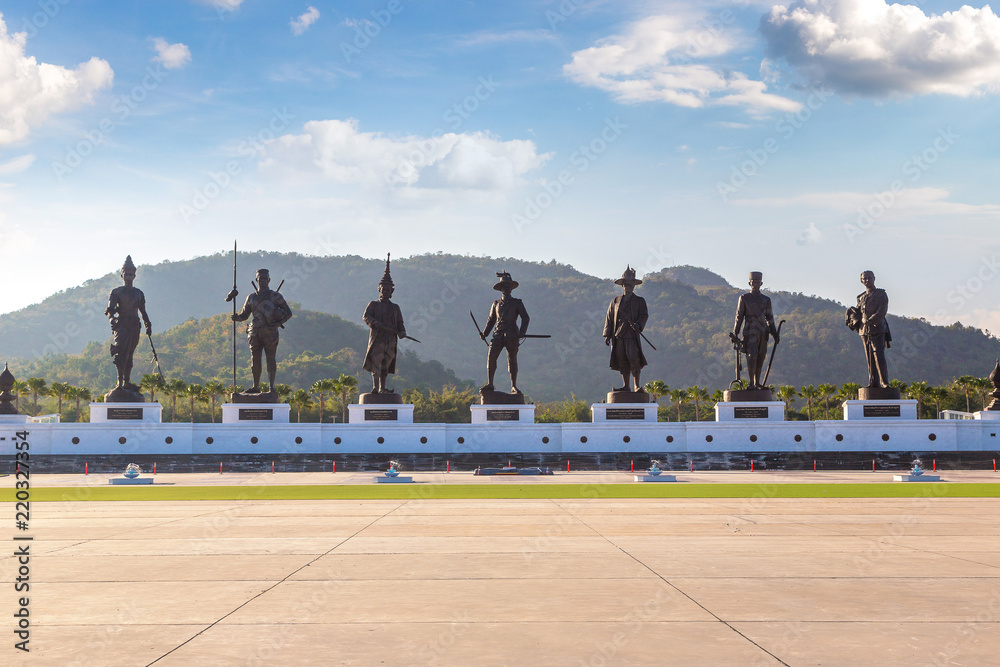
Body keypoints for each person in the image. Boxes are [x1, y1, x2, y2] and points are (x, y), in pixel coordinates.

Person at [228, 268, 292, 393]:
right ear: (256, 280)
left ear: (269, 280)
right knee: (255, 359)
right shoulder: (251, 297)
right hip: (254, 332)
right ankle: (255, 386)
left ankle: (271, 387)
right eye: (260, 278)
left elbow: (288, 313)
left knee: (270, 359)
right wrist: (236, 317)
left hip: (270, 333)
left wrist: (278, 324)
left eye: (265, 278)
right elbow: (245, 315)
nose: (262, 280)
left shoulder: (275, 296)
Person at [105, 255, 152, 392]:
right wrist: (112, 319)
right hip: (122, 324)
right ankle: (119, 383)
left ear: (134, 275)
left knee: (130, 353)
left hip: (134, 325)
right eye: (126, 274)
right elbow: (110, 310)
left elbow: (143, 311)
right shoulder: (116, 292)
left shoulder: (138, 293)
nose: (129, 276)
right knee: (121, 352)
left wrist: (148, 325)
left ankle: (126, 382)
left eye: (131, 274)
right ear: (122, 275)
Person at [480, 271, 530, 393]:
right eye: (505, 286)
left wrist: (522, 331)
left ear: (512, 288)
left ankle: (514, 386)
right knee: (491, 358)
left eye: (509, 286)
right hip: (498, 334)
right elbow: (491, 320)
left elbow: (525, 317)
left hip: (512, 334)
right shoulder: (495, 304)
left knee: (512, 360)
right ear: (501, 289)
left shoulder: (517, 303)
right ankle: (490, 384)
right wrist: (485, 333)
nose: (507, 288)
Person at [362, 255, 405, 394]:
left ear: (392, 291)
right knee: (377, 362)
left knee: (386, 364)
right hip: (378, 338)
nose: (385, 291)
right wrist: (375, 323)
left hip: (391, 339)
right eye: (383, 289)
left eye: (388, 290)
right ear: (379, 289)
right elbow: (366, 317)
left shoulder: (395, 308)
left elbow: (400, 323)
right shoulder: (373, 305)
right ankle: (375, 387)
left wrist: (402, 332)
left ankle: (383, 388)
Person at [732, 271, 780, 390]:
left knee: (761, 357)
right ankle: (751, 383)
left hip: (763, 332)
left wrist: (775, 334)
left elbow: (770, 318)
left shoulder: (766, 300)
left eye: (758, 282)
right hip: (750, 332)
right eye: (753, 282)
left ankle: (757, 382)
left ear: (761, 283)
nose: (756, 284)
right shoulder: (744, 298)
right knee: (752, 356)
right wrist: (735, 332)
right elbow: (739, 316)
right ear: (750, 283)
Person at [604, 266, 648, 392]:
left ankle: (636, 385)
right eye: (625, 284)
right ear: (622, 285)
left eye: (630, 284)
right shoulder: (615, 301)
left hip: (631, 335)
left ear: (634, 285)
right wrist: (607, 335)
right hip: (618, 335)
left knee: (633, 358)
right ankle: (626, 386)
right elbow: (609, 317)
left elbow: (644, 315)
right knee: (622, 359)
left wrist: (638, 325)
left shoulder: (640, 301)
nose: (627, 286)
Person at [846, 270, 891, 388]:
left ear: (874, 278)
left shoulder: (881, 294)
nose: (867, 280)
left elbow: (882, 310)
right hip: (864, 330)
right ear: (861, 281)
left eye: (869, 278)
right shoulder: (861, 297)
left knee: (878, 355)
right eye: (864, 279)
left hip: (878, 328)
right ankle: (873, 382)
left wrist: (871, 320)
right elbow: (859, 312)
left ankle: (884, 382)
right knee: (869, 356)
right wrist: (853, 318)